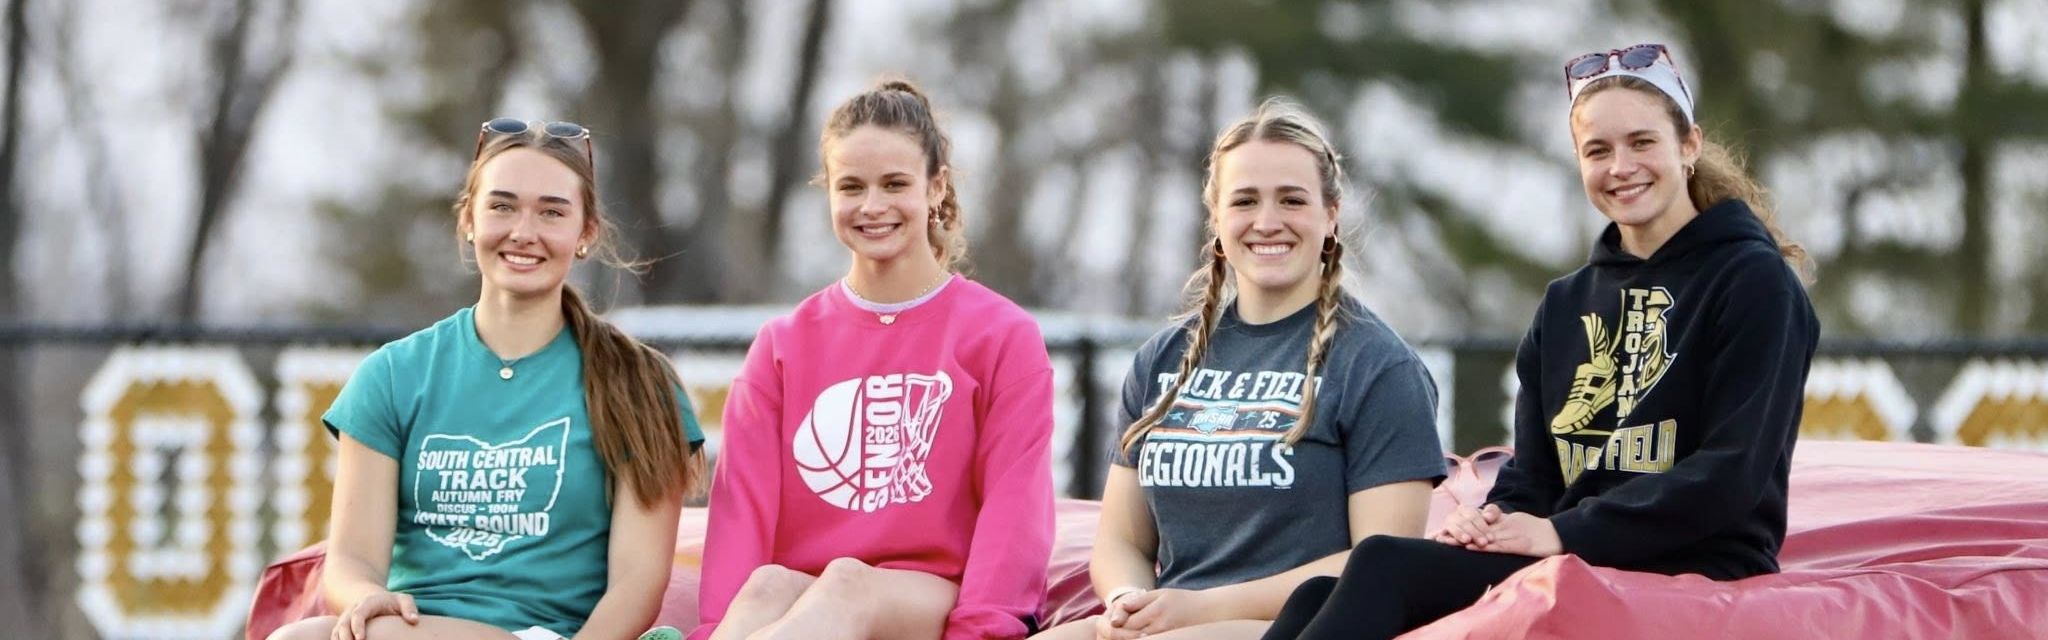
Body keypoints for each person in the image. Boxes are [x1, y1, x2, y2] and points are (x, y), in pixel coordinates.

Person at [1257, 43, 1821, 640]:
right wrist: (1496, 519)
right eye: (1597, 150)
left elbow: (1733, 476)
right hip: (1573, 552)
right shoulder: (1566, 303)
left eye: (1642, 142)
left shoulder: (1755, 283)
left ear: (1689, 145)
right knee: (1321, 591)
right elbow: (1535, 472)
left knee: (1382, 565)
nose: (1620, 166)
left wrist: (1560, 533)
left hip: (1699, 560)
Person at [267, 118, 708, 640]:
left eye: (551, 212)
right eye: (502, 206)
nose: (524, 232)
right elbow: (350, 560)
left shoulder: (639, 384)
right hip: (413, 629)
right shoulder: (392, 375)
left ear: (585, 233)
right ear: (469, 220)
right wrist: (367, 602)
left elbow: (638, 585)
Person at [1031, 98, 1446, 640]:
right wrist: (1130, 600)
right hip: (1166, 623)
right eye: (1245, 200)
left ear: (1331, 215)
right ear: (1217, 217)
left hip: (1296, 627)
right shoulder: (1161, 359)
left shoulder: (1379, 366)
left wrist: (1199, 611)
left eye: (1292, 200)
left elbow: (1381, 569)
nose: (1267, 222)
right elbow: (1122, 542)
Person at [692, 79, 1056, 640]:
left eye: (894, 184)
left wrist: (980, 631)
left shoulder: (1001, 335)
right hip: (805, 599)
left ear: (935, 188)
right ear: (829, 191)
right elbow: (743, 509)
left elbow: (1014, 509)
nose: (872, 206)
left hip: (929, 594)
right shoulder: (782, 343)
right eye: (851, 187)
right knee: (765, 586)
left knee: (847, 583)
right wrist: (717, 627)